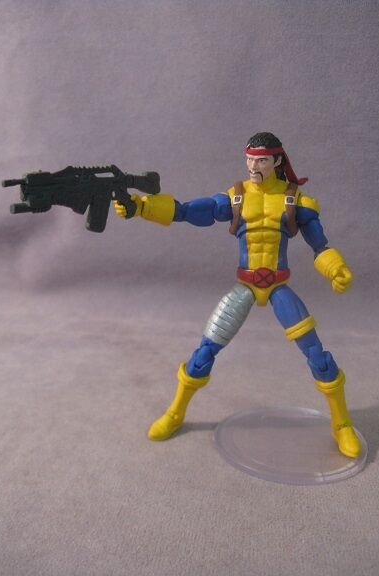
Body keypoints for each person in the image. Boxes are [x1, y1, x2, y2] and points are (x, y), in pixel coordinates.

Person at [114, 132, 361, 458]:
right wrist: (141, 207)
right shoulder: (237, 197)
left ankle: (342, 424)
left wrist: (335, 269)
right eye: (249, 159)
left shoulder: (295, 200)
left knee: (318, 356)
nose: (253, 166)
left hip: (278, 286)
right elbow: (187, 211)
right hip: (245, 285)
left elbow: (320, 246)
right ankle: (175, 413)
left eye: (261, 160)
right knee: (204, 353)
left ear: (277, 160)